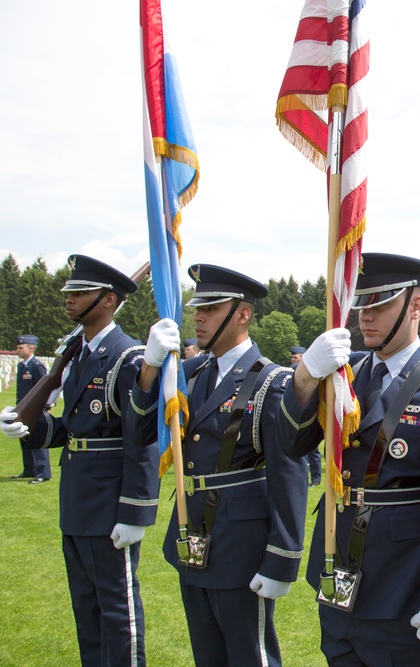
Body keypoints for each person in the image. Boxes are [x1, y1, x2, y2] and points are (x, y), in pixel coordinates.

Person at [276, 253, 420, 666]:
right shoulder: (342, 374)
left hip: (402, 579)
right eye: (361, 304)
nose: (365, 316)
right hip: (336, 565)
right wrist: (305, 378)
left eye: (380, 304)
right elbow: (291, 444)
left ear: (415, 306)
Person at [126, 264, 309, 667]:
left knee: (249, 655)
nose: (199, 317)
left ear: (242, 314)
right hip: (191, 531)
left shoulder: (272, 381)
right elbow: (139, 431)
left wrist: (282, 557)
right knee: (207, 654)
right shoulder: (187, 373)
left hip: (240, 543)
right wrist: (150, 369)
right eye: (198, 308)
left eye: (210, 307)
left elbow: (289, 472)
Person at [0, 255, 159, 666]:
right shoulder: (78, 354)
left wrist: (136, 510)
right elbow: (73, 429)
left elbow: (141, 438)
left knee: (117, 608)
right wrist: (29, 427)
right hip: (77, 496)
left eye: (79, 292)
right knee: (86, 609)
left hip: (109, 502)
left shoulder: (127, 357)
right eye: (68, 291)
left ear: (108, 300)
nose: (68, 299)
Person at [14, 334, 51, 484]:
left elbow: (45, 387)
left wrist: (45, 407)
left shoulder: (36, 366)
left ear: (31, 349)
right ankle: (29, 470)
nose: (17, 350)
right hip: (23, 410)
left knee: (37, 440)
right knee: (25, 439)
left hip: (35, 410)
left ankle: (43, 472)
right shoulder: (22, 366)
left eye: (20, 348)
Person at [289, 345, 321, 486]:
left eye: (296, 357)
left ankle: (315, 478)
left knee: (312, 451)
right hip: (295, 415)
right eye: (292, 357)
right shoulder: (290, 370)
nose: (292, 359)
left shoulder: (305, 370)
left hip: (308, 415)